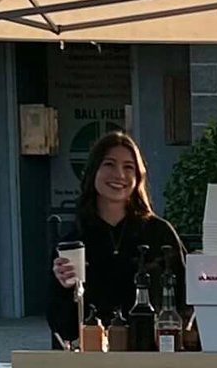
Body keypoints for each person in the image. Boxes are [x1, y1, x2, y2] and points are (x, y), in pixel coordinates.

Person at [48, 129, 187, 346]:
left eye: (129, 167)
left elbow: (185, 301)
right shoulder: (73, 241)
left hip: (152, 354)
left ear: (138, 176)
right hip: (92, 356)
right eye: (109, 164)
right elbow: (60, 325)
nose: (119, 175)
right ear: (93, 170)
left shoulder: (160, 233)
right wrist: (65, 288)